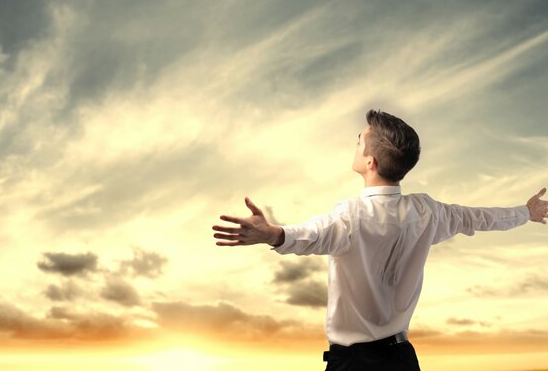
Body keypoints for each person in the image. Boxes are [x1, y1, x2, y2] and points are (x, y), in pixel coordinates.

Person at [211, 109, 547, 371]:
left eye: (359, 140)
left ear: (370, 162)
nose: (355, 143)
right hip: (402, 360)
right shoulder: (427, 211)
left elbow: (310, 235)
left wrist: (272, 234)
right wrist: (525, 212)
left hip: (354, 365)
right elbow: (479, 218)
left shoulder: (351, 217)